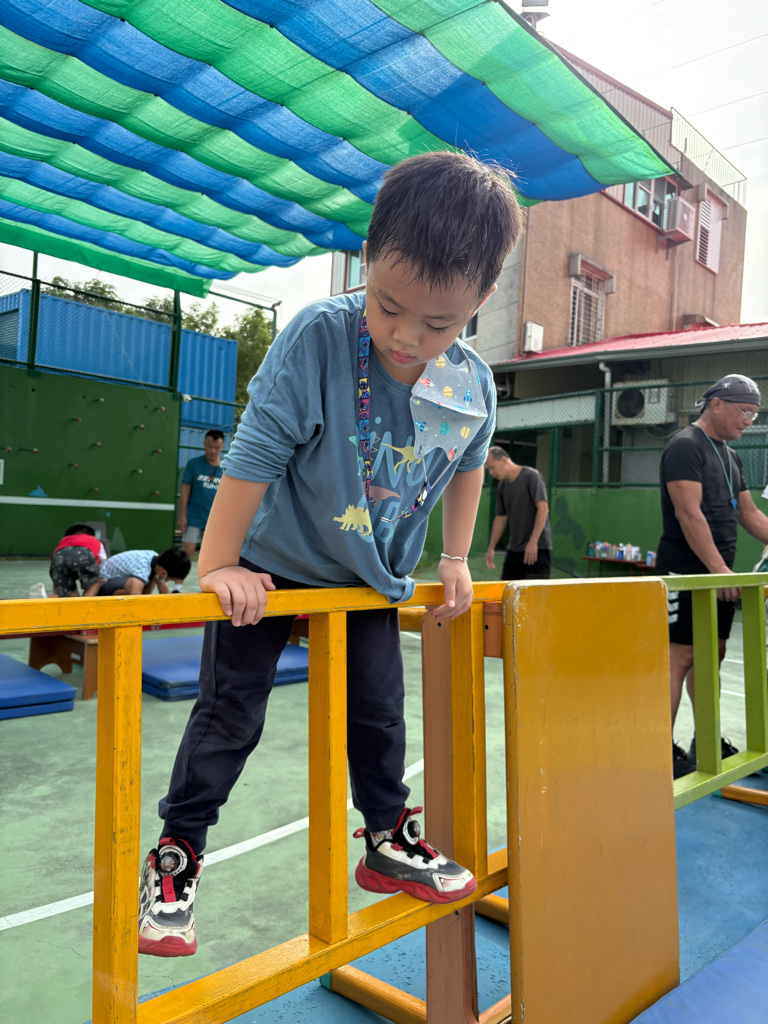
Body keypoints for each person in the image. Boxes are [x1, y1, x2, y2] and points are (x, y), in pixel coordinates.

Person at [137, 150, 524, 958]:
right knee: (229, 715)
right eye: (389, 306)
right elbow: (255, 449)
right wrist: (219, 565)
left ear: (480, 299)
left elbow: (465, 470)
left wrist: (457, 557)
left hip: (367, 576)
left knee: (380, 715)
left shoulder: (471, 386)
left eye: (438, 324)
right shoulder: (320, 336)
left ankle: (386, 839)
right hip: (270, 569)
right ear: (367, 258)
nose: (407, 337)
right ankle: (177, 856)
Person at [656, 374, 768, 778]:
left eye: (754, 415)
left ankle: (705, 741)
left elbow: (748, 514)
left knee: (712, 655)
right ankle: (658, 753)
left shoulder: (729, 455)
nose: (748, 421)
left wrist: (721, 572)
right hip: (684, 570)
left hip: (717, 575)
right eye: (744, 412)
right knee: (679, 657)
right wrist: (719, 570)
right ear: (716, 404)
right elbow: (688, 513)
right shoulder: (685, 446)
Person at [484, 447, 552, 579]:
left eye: (492, 467)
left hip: (537, 549)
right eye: (488, 469)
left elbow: (543, 509)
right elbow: (500, 518)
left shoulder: (531, 476)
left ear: (504, 460)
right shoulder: (502, 486)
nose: (491, 473)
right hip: (514, 549)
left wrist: (533, 542)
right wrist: (491, 548)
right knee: (507, 589)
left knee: (535, 591)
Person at [178, 429, 225, 558]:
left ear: (222, 447)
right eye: (210, 447)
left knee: (212, 555)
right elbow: (185, 490)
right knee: (186, 554)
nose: (213, 451)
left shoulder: (227, 468)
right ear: (204, 444)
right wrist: (182, 516)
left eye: (217, 448)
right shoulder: (193, 464)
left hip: (216, 520)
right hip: (194, 517)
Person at [38, 523, 107, 599]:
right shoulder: (94, 540)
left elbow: (54, 559)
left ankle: (49, 597)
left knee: (65, 590)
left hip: (59, 559)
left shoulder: (64, 540)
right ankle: (85, 602)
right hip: (83, 558)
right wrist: (98, 575)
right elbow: (103, 560)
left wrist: (57, 579)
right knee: (95, 580)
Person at [97, 548, 191, 596]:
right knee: (134, 585)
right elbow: (136, 597)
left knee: (155, 579)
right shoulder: (143, 568)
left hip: (116, 581)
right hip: (102, 585)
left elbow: (163, 589)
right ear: (164, 573)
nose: (167, 581)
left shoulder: (156, 561)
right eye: (170, 579)